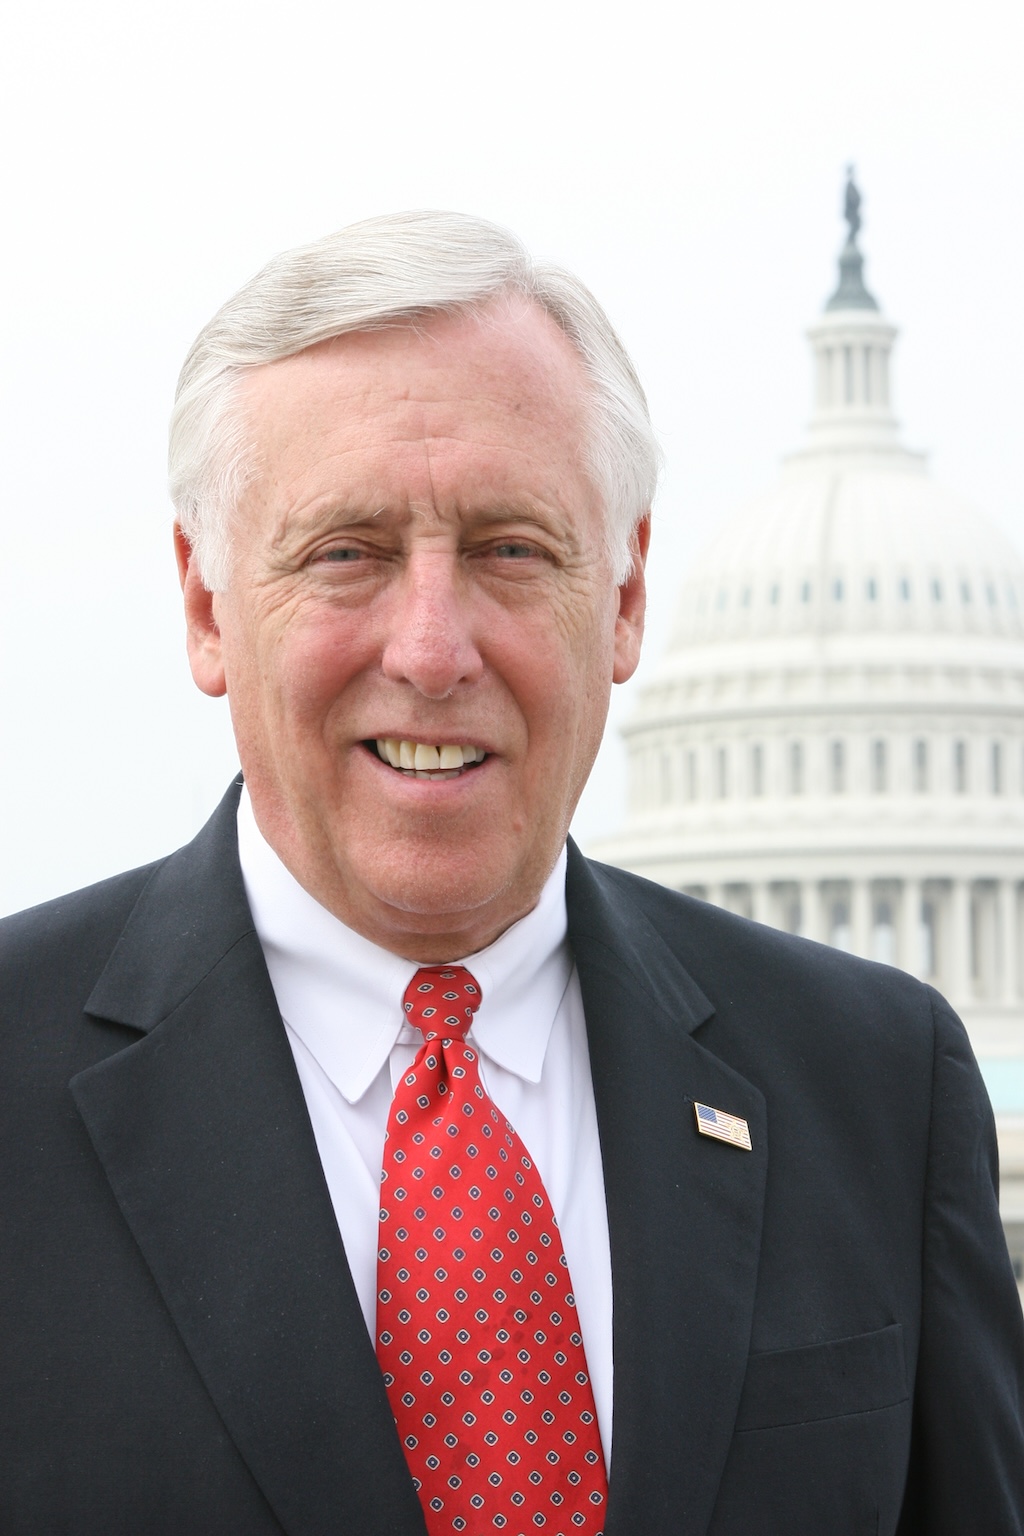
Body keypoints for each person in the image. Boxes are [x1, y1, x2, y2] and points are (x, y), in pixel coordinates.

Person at [1, 212, 1022, 1536]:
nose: (433, 651)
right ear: (206, 606)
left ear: (627, 595)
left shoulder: (877, 1091)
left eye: (511, 549)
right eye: (346, 552)